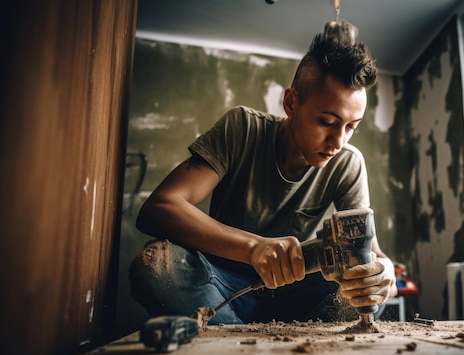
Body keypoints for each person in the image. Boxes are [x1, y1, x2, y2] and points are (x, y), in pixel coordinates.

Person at [129, 25, 397, 325]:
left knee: (364, 285)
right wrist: (254, 248)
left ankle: (233, 340)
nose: (338, 142)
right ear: (291, 103)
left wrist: (384, 272)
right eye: (327, 122)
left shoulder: (348, 163)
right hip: (219, 284)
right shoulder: (242, 127)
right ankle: (239, 340)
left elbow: (368, 253)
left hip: (295, 293)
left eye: (351, 127)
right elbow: (158, 208)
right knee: (156, 267)